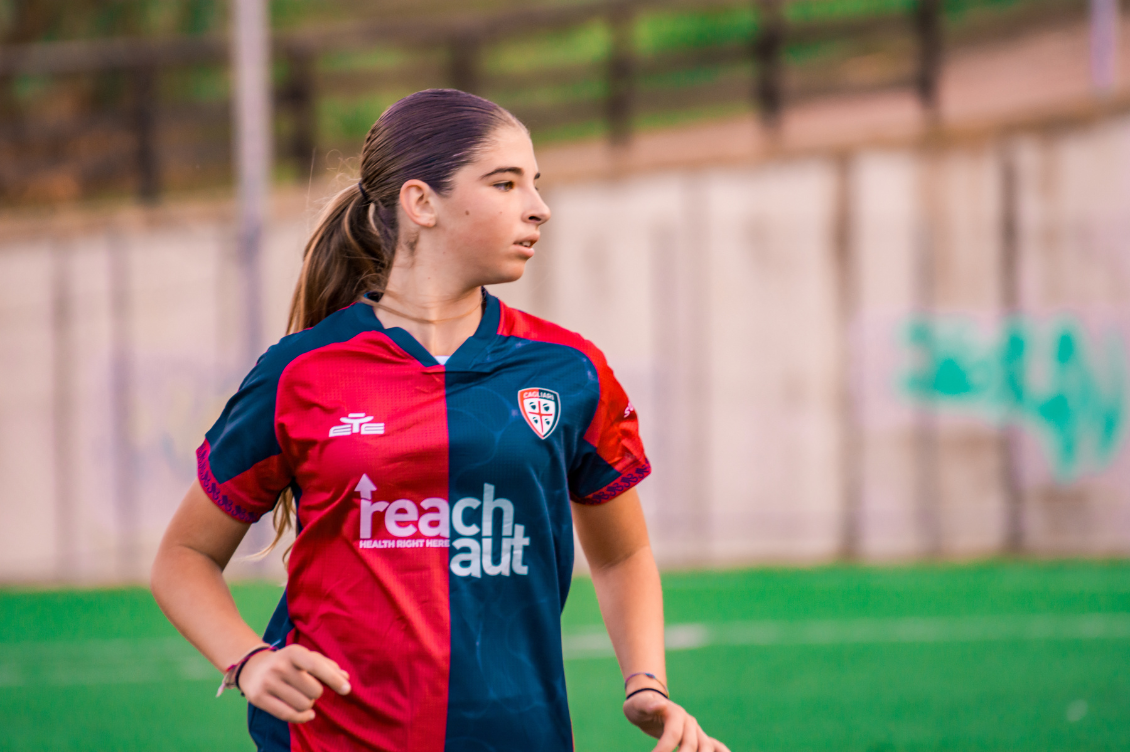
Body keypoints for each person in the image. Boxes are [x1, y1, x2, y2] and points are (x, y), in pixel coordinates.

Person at [151, 88, 728, 752]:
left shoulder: (571, 371)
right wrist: (249, 659)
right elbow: (184, 555)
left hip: (523, 736)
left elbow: (623, 552)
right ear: (422, 203)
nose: (539, 208)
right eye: (506, 183)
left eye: (534, 184)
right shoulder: (300, 373)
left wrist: (646, 684)